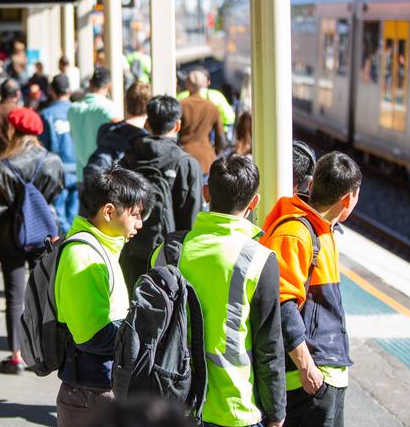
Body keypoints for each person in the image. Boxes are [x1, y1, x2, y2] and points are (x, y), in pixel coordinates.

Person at [151, 154, 286, 427]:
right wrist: (276, 412)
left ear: (206, 193)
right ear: (254, 202)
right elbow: (269, 344)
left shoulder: (166, 252)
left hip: (174, 400)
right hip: (234, 408)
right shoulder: (259, 260)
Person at [260, 151, 362, 427]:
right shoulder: (296, 233)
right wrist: (307, 368)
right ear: (348, 199)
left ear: (312, 185)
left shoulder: (322, 229)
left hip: (322, 373)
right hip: (310, 378)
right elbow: (281, 303)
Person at [55, 165, 153, 426]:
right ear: (109, 211)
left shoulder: (101, 248)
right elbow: (92, 336)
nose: (140, 224)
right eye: (135, 215)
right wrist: (142, 337)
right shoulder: (83, 256)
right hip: (92, 392)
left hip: (98, 387)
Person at [0, 107, 64, 374]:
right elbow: (56, 197)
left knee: (14, 296)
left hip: (10, 238)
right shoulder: (53, 162)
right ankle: (41, 351)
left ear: (13, 132)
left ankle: (16, 354)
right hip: (43, 234)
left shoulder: (2, 166)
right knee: (43, 295)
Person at [120, 95, 203, 290]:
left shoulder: (130, 158)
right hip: (170, 261)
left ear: (147, 123)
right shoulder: (187, 164)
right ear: (178, 125)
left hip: (131, 254)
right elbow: (192, 218)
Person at [68, 67, 121, 200]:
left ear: (90, 84)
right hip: (104, 176)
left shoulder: (73, 109)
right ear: (109, 86)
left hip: (81, 176)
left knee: (85, 219)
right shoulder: (108, 108)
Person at [40, 74, 78, 233]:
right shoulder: (78, 111)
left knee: (58, 213)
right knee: (74, 214)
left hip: (56, 170)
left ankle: (64, 243)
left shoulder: (46, 114)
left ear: (52, 91)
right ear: (68, 91)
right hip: (78, 168)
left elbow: (43, 146)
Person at [178, 71, 227, 175]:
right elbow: (221, 138)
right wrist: (217, 151)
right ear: (205, 84)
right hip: (206, 159)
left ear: (187, 84)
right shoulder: (212, 107)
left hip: (183, 156)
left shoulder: (181, 104)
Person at [177, 68, 235, 138]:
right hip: (209, 139)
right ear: (207, 82)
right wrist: (221, 131)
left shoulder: (181, 98)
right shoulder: (216, 96)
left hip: (184, 141)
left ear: (187, 84)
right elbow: (229, 117)